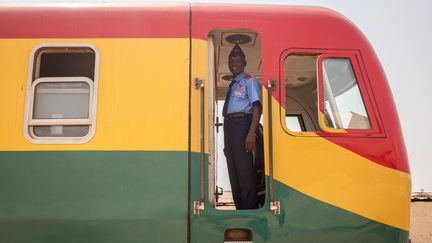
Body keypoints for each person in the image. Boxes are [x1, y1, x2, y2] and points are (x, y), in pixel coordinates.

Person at [222, 43, 262, 210]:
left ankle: (250, 210)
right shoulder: (232, 84)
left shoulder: (249, 80)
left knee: (245, 173)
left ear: (244, 61)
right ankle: (240, 209)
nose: (233, 62)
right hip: (230, 128)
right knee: (234, 171)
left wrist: (251, 133)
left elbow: (257, 107)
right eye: (231, 59)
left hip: (243, 126)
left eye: (237, 58)